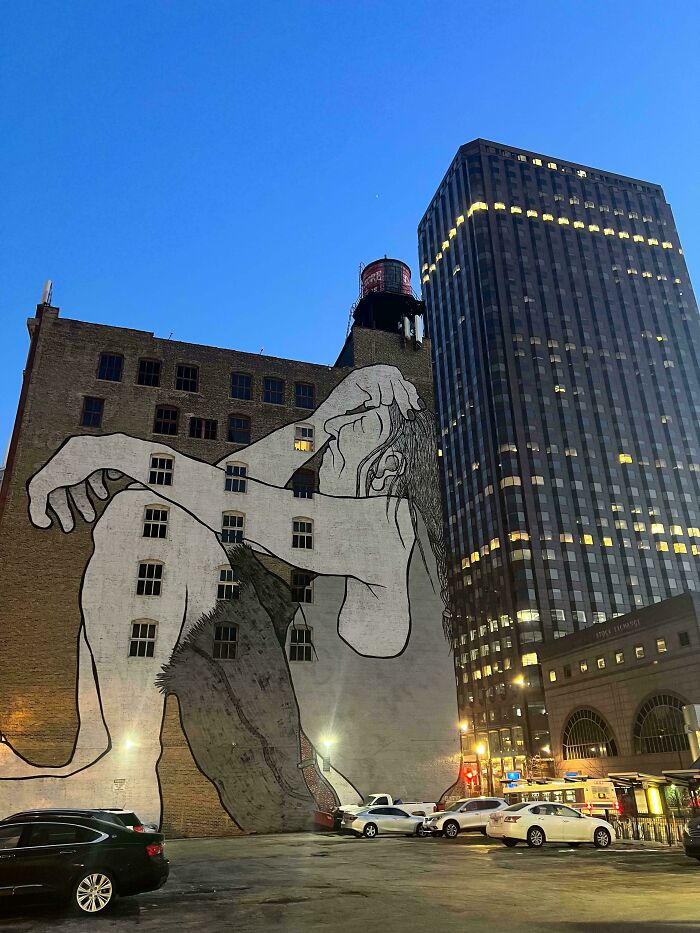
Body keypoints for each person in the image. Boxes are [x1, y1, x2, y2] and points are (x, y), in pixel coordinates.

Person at [0, 365, 458, 824]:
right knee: (158, 512)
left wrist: (109, 449)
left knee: (145, 512)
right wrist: (323, 417)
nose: (332, 439)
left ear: (389, 468)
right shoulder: (366, 536)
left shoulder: (390, 529)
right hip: (302, 746)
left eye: (350, 431)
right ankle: (94, 758)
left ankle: (128, 772)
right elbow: (224, 486)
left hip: (330, 788)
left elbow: (226, 501)